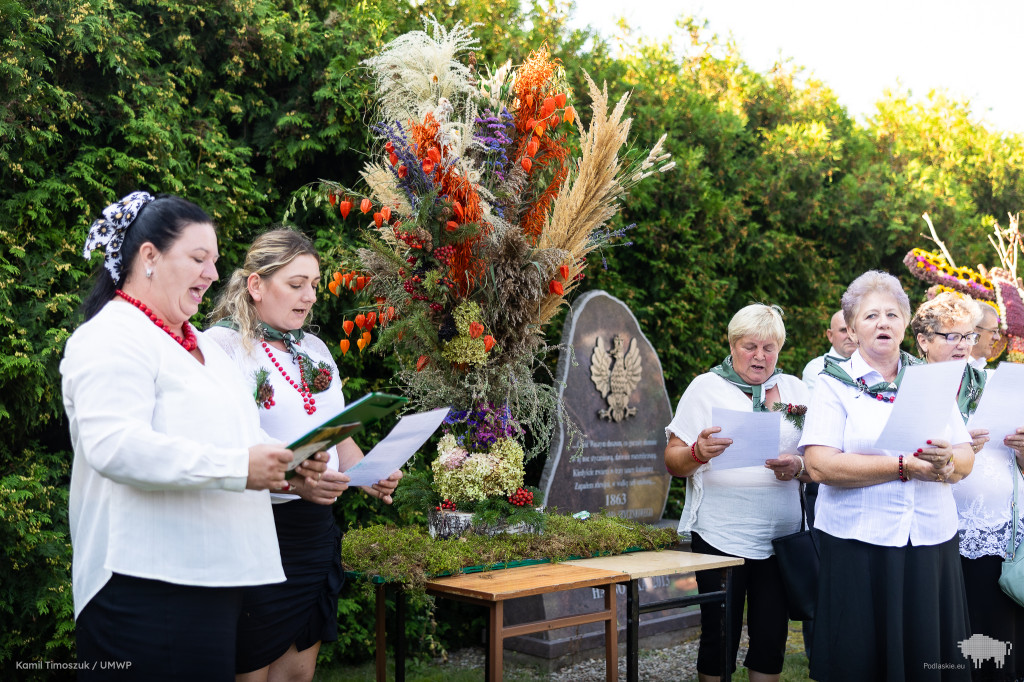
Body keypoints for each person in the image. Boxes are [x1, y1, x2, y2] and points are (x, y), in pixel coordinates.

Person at [62, 192, 326, 680]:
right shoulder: (110, 337)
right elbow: (115, 446)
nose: (210, 273)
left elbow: (237, 445)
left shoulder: (204, 346)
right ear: (149, 258)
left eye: (215, 261)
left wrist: (290, 472)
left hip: (213, 584)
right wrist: (239, 468)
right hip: (144, 588)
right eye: (198, 258)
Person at [205, 227, 403, 682]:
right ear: (256, 285)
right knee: (248, 671)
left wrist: (366, 471)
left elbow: (336, 435)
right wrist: (295, 481)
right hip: (257, 534)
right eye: (296, 284)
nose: (310, 296)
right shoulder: (219, 348)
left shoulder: (314, 349)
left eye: (313, 284)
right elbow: (226, 444)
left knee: (297, 675)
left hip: (316, 536)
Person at [800, 271, 974, 682]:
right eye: (871, 315)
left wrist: (948, 463)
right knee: (862, 661)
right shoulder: (834, 385)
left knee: (928, 660)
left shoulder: (930, 379)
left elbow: (965, 455)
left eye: (892, 315)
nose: (883, 323)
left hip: (931, 541)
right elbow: (820, 465)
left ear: (905, 325)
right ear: (853, 329)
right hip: (861, 547)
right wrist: (904, 468)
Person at [664, 303, 809, 682]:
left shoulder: (796, 389)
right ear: (732, 345)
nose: (760, 356)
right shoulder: (706, 388)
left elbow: (817, 455)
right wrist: (698, 452)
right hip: (721, 536)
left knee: (771, 638)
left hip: (781, 538)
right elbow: (673, 460)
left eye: (769, 347)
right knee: (718, 635)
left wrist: (798, 467)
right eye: (750, 346)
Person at [912, 292, 1024, 681]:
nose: (964, 343)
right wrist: (960, 450)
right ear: (924, 340)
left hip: (994, 525)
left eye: (968, 335)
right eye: (954, 335)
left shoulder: (993, 381)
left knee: (995, 638)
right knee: (946, 641)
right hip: (936, 522)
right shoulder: (912, 382)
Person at [800, 310, 857, 393]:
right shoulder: (817, 369)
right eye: (844, 330)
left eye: (854, 330)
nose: (850, 336)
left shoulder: (874, 366)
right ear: (830, 335)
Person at [969, 302, 1002, 371]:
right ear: (974, 331)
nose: (997, 338)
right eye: (993, 331)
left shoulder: (981, 367)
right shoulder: (955, 367)